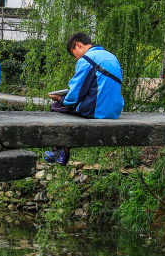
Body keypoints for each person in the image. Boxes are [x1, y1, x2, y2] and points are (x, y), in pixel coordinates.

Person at [45, 32, 123, 166]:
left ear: (78, 45)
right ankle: (63, 151)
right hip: (114, 111)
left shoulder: (87, 59)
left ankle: (58, 152)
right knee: (70, 108)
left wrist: (60, 98)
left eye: (73, 52)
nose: (75, 58)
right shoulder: (111, 56)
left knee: (57, 107)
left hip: (98, 110)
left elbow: (76, 93)